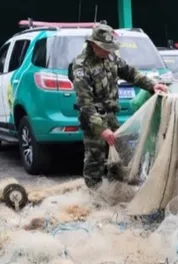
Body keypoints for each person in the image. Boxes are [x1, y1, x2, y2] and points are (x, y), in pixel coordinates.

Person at [71, 24, 169, 188]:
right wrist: (101, 129)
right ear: (94, 45)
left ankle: (115, 189)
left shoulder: (111, 57)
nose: (108, 51)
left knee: (120, 156)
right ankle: (93, 196)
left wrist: (152, 85)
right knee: (95, 160)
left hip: (111, 116)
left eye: (110, 48)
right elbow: (85, 103)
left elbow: (130, 72)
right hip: (93, 120)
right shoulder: (81, 65)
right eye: (104, 48)